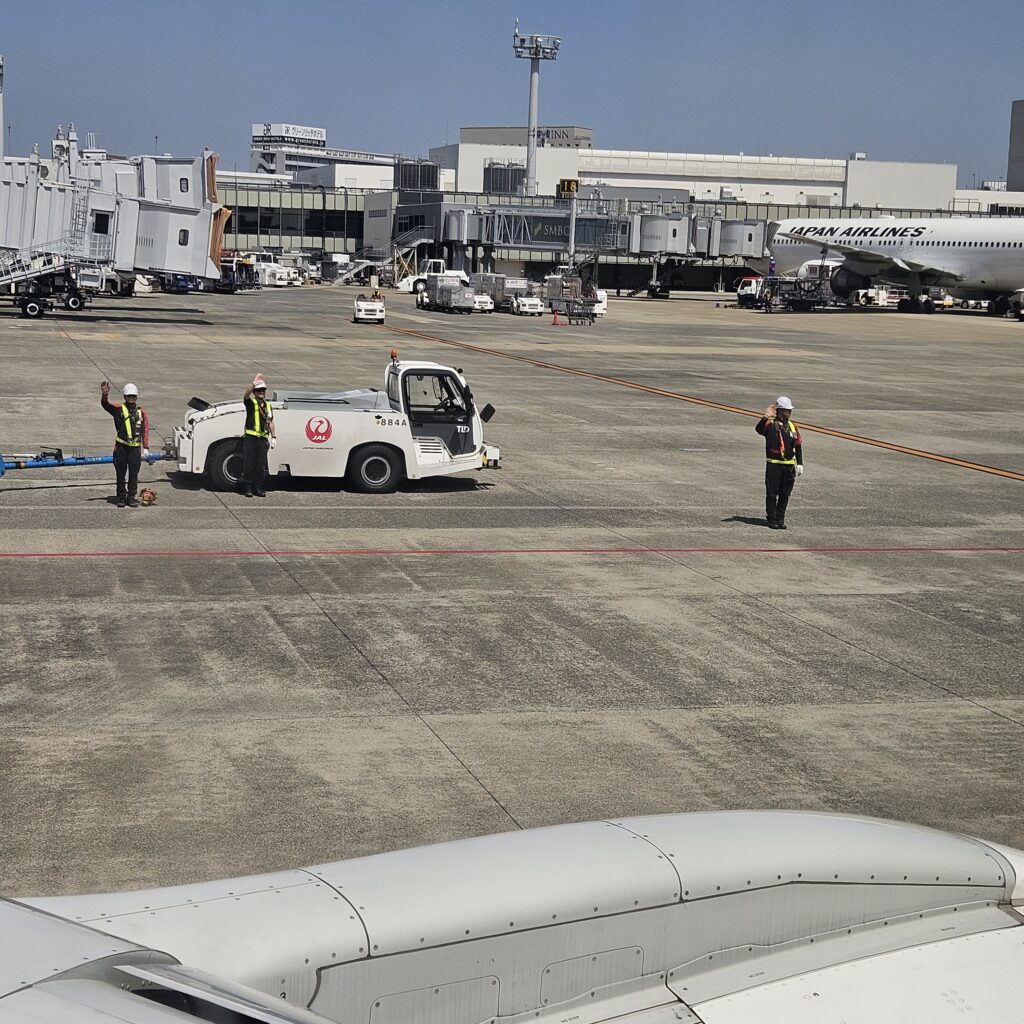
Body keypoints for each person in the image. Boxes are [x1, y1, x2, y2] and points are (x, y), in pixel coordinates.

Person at [755, 396, 803, 530]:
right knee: (772, 493)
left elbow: (798, 445)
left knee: (785, 493)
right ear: (780, 411)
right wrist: (765, 417)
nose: (790, 412)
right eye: (787, 410)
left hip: (788, 466)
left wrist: (800, 463)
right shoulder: (770, 425)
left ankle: (780, 518)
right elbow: (758, 430)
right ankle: (771, 518)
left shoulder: (793, 427)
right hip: (774, 465)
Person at [100, 380, 149, 508]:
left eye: (133, 396)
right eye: (129, 396)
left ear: (136, 397)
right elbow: (105, 405)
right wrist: (105, 394)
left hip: (135, 449)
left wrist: (146, 447)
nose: (131, 398)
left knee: (134, 474)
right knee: (120, 474)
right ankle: (121, 497)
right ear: (125, 397)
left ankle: (131, 497)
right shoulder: (118, 409)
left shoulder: (141, 412)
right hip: (121, 448)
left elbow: (145, 429)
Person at [241, 374, 276, 497]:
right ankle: (247, 488)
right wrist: (253, 384)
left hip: (263, 439)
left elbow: (270, 421)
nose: (261, 392)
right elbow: (245, 395)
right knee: (249, 464)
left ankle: (258, 488)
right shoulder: (251, 403)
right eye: (258, 391)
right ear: (255, 393)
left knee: (260, 466)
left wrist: (274, 437)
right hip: (251, 438)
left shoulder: (268, 406)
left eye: (263, 390)